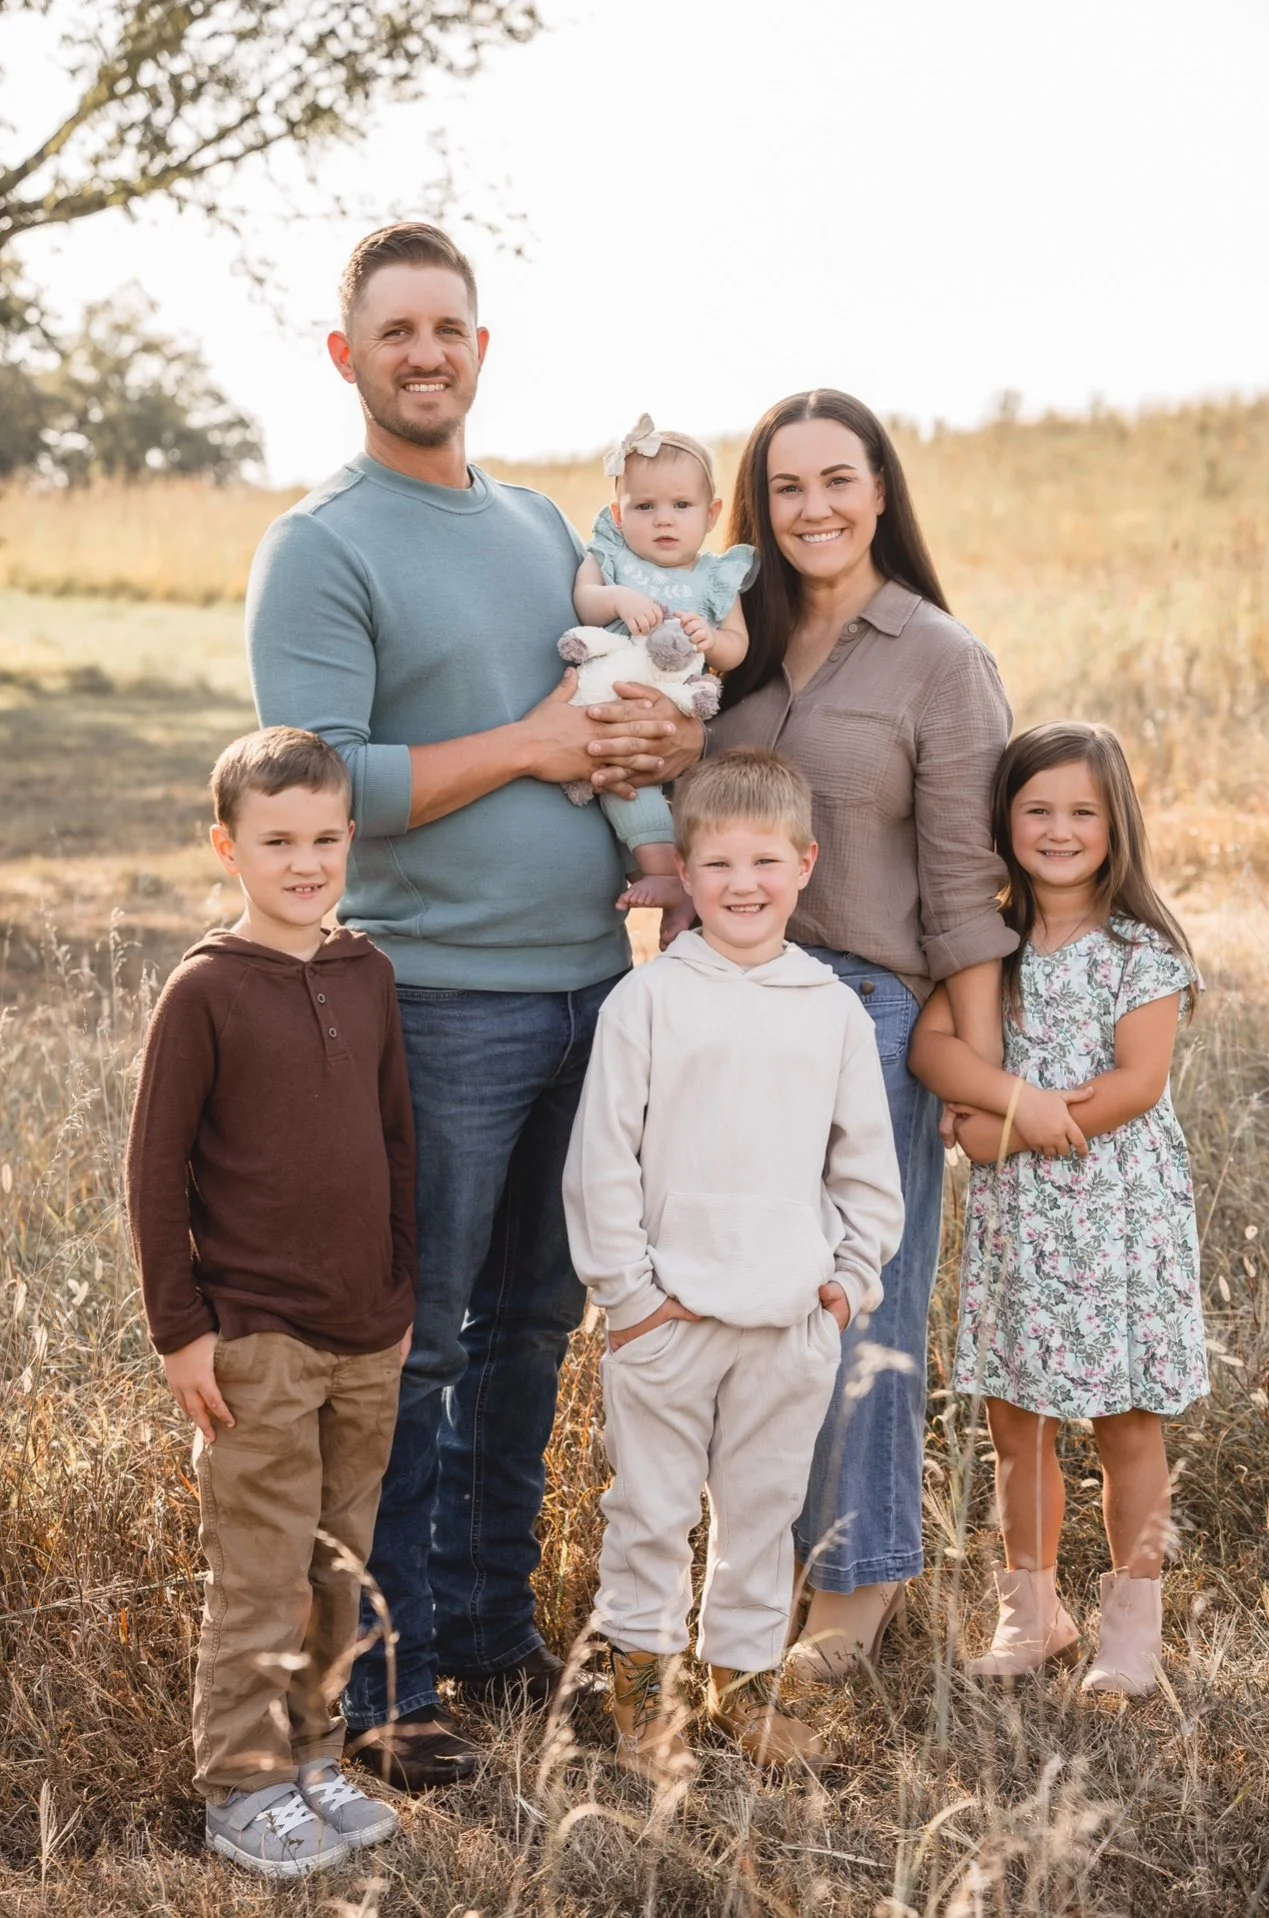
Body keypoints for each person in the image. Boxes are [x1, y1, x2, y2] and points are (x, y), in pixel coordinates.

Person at [246, 222, 705, 1788]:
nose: (426, 352)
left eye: (450, 326)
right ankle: (389, 1683)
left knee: (533, 1329)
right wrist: (523, 748)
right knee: (420, 1346)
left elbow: (615, 718)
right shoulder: (323, 545)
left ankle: (496, 1638)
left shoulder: (536, 530)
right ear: (347, 356)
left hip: (599, 990)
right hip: (436, 1006)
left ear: (483, 348)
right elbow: (320, 782)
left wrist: (650, 750)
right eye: (396, 331)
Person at [706, 389, 1019, 1680]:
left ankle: (855, 1590)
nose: (815, 507)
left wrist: (983, 1074)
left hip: (865, 1013)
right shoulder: (730, 647)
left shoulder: (939, 658)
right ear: (759, 508)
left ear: (882, 489)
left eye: (839, 479)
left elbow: (965, 885)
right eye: (787, 487)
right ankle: (751, 1568)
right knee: (739, 1307)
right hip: (719, 1004)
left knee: (855, 1306)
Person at [563, 751, 904, 1779]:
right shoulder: (650, 1001)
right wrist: (629, 1295)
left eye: (765, 860)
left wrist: (849, 1282)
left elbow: (866, 1166)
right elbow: (602, 1159)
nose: (742, 884)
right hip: (666, 1319)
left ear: (806, 863)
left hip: (791, 1319)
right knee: (651, 1514)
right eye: (718, 864)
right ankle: (643, 1700)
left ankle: (743, 1685)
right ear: (687, 873)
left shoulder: (832, 1007)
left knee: (763, 1511)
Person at [125, 728, 415, 1877]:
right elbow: (154, 1174)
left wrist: (400, 1294)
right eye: (278, 840)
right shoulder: (205, 989)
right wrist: (182, 1331)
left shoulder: (369, 973)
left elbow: (399, 1146)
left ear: (353, 839)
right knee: (261, 1570)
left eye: (326, 838)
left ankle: (313, 1757)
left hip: (365, 1332)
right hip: (255, 1339)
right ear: (227, 848)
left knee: (340, 1565)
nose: (306, 861)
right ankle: (240, 1785)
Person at [909, 721, 1208, 1693]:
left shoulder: (1139, 949)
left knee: (1126, 1419)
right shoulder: (987, 944)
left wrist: (1011, 1128)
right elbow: (933, 1050)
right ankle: (1031, 1612)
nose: (1059, 828)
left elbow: (1137, 1084)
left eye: (1082, 809)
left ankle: (1133, 1623)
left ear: (1116, 823)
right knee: (1016, 1415)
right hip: (1021, 1224)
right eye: (1037, 808)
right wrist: (1018, 1102)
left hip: (1119, 1211)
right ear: (1004, 818)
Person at [571, 413, 754, 940]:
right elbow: (585, 603)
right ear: (618, 513)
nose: (663, 520)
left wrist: (710, 639)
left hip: (679, 705)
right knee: (627, 789)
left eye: (681, 506)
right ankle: (657, 873)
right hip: (615, 701)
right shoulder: (611, 561)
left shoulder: (715, 579)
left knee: (701, 810)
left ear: (712, 513)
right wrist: (618, 598)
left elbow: (736, 648)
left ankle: (688, 897)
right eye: (644, 507)